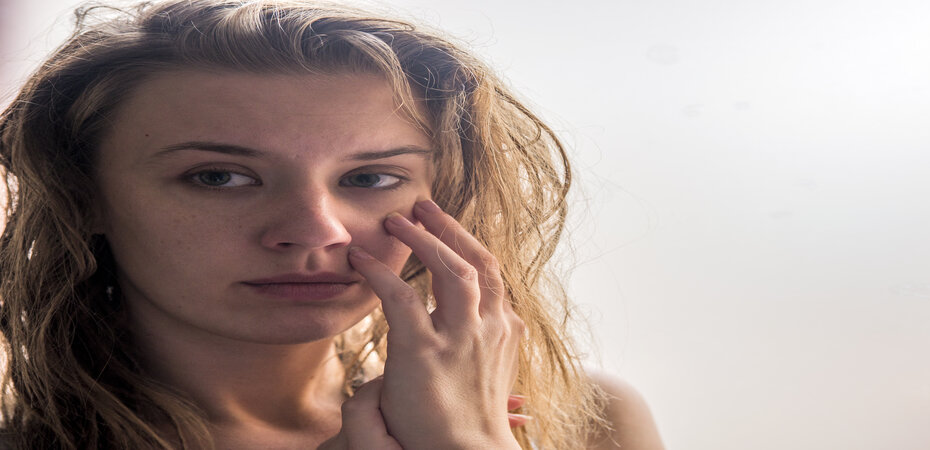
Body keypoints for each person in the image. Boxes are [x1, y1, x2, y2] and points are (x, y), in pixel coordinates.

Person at [0, 0, 664, 448]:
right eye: (219, 177)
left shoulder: (586, 424)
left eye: (369, 178)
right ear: (81, 194)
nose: (317, 231)